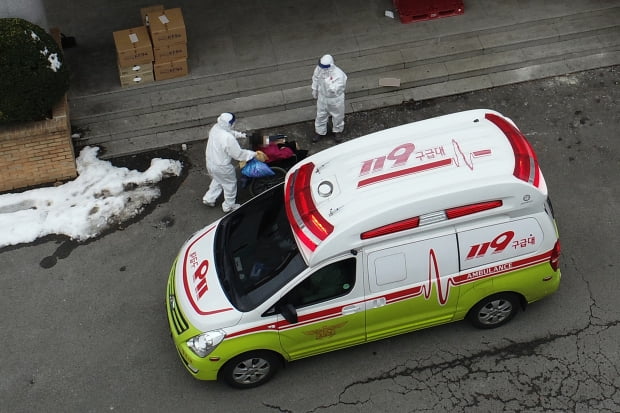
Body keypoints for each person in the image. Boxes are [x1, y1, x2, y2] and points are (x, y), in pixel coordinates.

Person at [202, 112, 266, 213]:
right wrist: (253, 154)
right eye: (233, 123)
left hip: (210, 162)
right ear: (229, 123)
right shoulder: (228, 138)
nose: (233, 124)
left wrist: (242, 135)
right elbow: (238, 154)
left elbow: (228, 132)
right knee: (230, 185)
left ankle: (209, 198)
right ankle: (229, 206)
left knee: (218, 179)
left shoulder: (216, 128)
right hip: (222, 167)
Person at [311, 54, 348, 143]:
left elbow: (338, 89)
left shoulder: (339, 74)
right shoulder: (319, 69)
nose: (322, 68)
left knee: (338, 116)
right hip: (322, 97)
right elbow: (315, 78)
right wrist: (314, 89)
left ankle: (337, 131)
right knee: (320, 115)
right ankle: (320, 131)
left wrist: (330, 84)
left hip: (335, 99)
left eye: (324, 67)